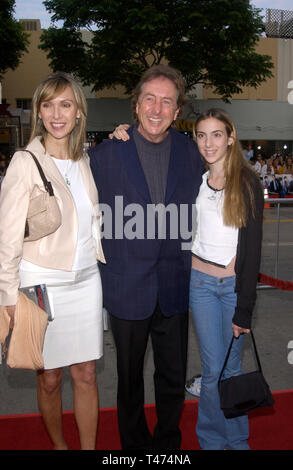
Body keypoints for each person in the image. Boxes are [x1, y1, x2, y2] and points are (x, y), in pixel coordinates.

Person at [89, 64, 203, 450]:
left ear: (177, 110)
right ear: (136, 106)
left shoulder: (192, 153)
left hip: (174, 284)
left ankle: (168, 444)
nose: (157, 108)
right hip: (126, 287)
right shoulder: (105, 155)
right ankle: (135, 448)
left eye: (167, 101)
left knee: (173, 377)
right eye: (149, 99)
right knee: (129, 378)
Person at [0, 72, 105, 450]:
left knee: (87, 374)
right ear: (38, 112)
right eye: (48, 105)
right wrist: (8, 297)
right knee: (48, 378)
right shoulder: (24, 161)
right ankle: (60, 446)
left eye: (65, 104)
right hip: (39, 284)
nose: (56, 114)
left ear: (79, 112)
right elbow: (7, 237)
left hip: (87, 281)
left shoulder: (84, 160)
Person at [189, 108, 264, 450]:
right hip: (201, 287)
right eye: (202, 135)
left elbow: (253, 249)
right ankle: (210, 441)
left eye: (216, 134)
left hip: (233, 290)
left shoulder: (247, 182)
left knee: (230, 370)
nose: (209, 142)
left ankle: (237, 441)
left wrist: (244, 309)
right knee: (211, 370)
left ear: (230, 138)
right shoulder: (196, 179)